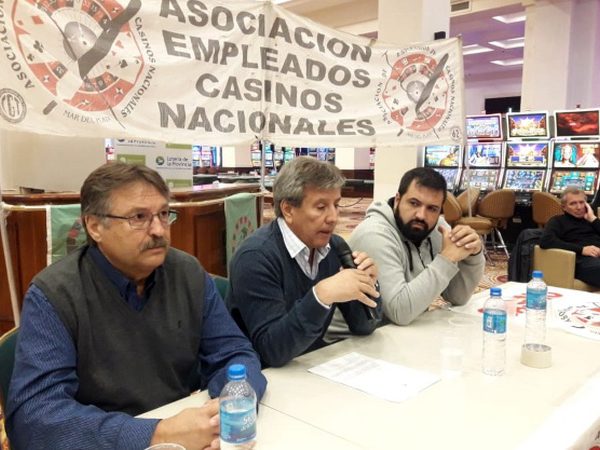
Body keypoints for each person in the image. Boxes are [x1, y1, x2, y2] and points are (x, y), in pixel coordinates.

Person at [6, 163, 267, 450]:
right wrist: (157, 434)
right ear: (94, 226)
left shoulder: (188, 273)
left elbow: (234, 352)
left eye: (164, 214)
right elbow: (35, 417)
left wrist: (232, 404)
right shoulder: (55, 294)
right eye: (139, 217)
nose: (158, 230)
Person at [226, 156, 381, 368]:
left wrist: (367, 283)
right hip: (260, 376)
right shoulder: (255, 257)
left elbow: (365, 326)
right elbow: (272, 351)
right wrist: (321, 296)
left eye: (336, 205)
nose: (333, 217)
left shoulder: (335, 247)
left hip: (311, 366)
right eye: (321, 207)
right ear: (288, 210)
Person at [348, 167, 485, 326]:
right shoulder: (374, 235)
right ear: (398, 200)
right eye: (414, 203)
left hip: (399, 331)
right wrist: (447, 259)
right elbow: (399, 312)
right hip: (351, 337)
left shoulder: (437, 229)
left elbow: (457, 297)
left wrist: (473, 256)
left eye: (432, 208)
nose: (421, 215)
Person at [540, 187, 600, 287]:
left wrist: (593, 219)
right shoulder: (557, 221)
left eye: (582, 202)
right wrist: (582, 250)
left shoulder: (591, 220)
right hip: (581, 260)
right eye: (573, 203)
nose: (579, 207)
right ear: (564, 207)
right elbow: (546, 241)